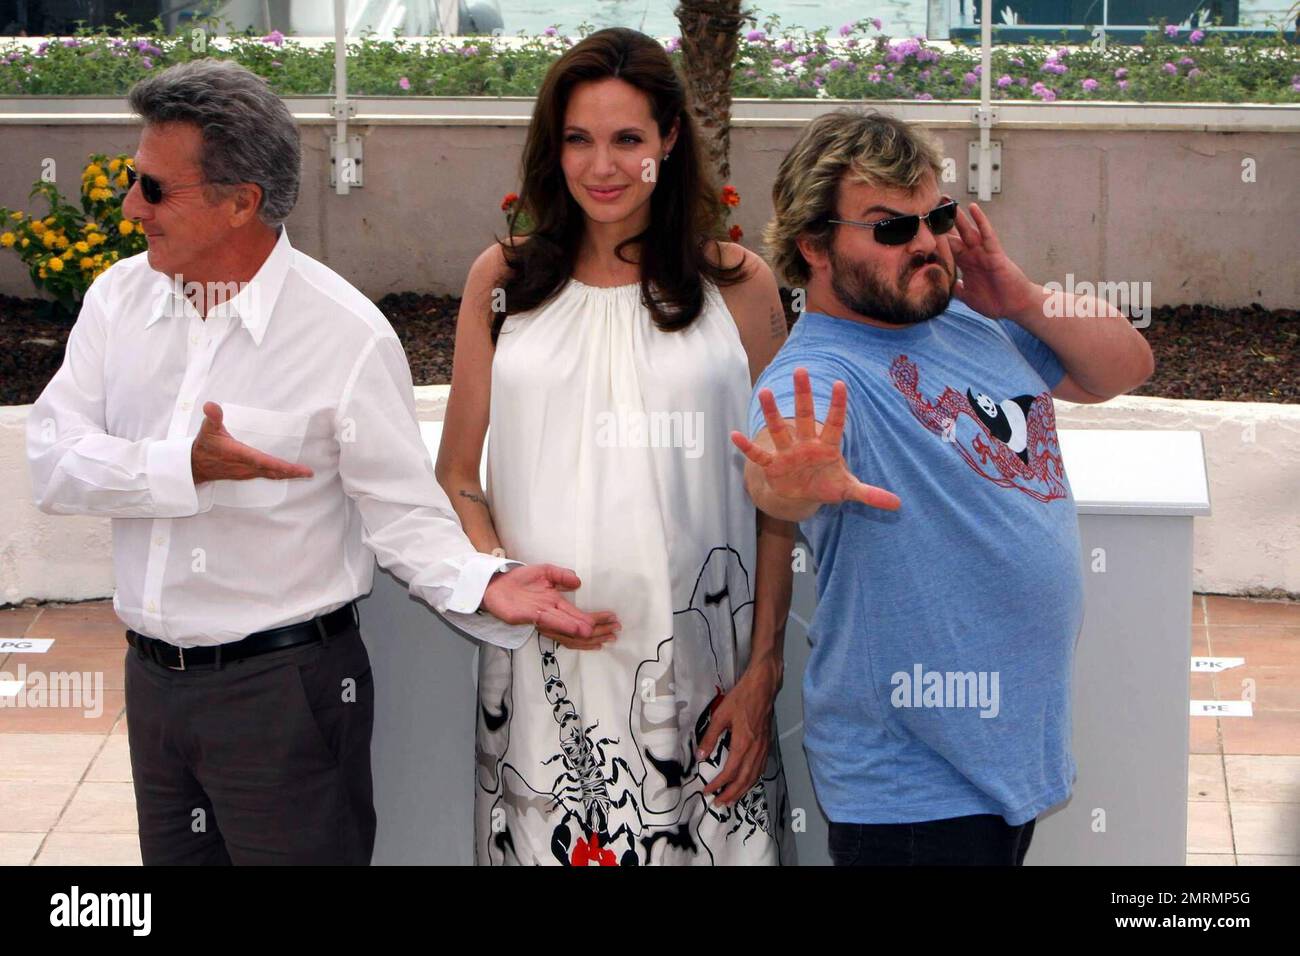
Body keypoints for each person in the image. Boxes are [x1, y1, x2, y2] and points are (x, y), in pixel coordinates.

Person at [26, 59, 608, 866]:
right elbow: (53, 460)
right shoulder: (116, 300)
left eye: (155, 189)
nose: (131, 208)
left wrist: (485, 581)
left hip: (287, 696)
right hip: (153, 691)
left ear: (241, 203)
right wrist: (179, 466)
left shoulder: (344, 333)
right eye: (135, 180)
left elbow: (399, 508)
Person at [731, 109, 1154, 865]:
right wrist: (790, 482)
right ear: (814, 245)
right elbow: (777, 471)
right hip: (913, 793)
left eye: (938, 216)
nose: (926, 241)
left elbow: (1125, 367)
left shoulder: (970, 320)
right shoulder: (820, 373)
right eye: (890, 227)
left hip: (1005, 765)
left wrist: (1020, 295)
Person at [438, 28, 796, 865]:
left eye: (627, 139)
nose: (602, 166)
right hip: (542, 673)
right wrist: (504, 584)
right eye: (578, 139)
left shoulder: (738, 286)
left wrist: (764, 670)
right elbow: (457, 475)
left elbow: (779, 497)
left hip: (707, 677)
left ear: (669, 141)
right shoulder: (502, 281)